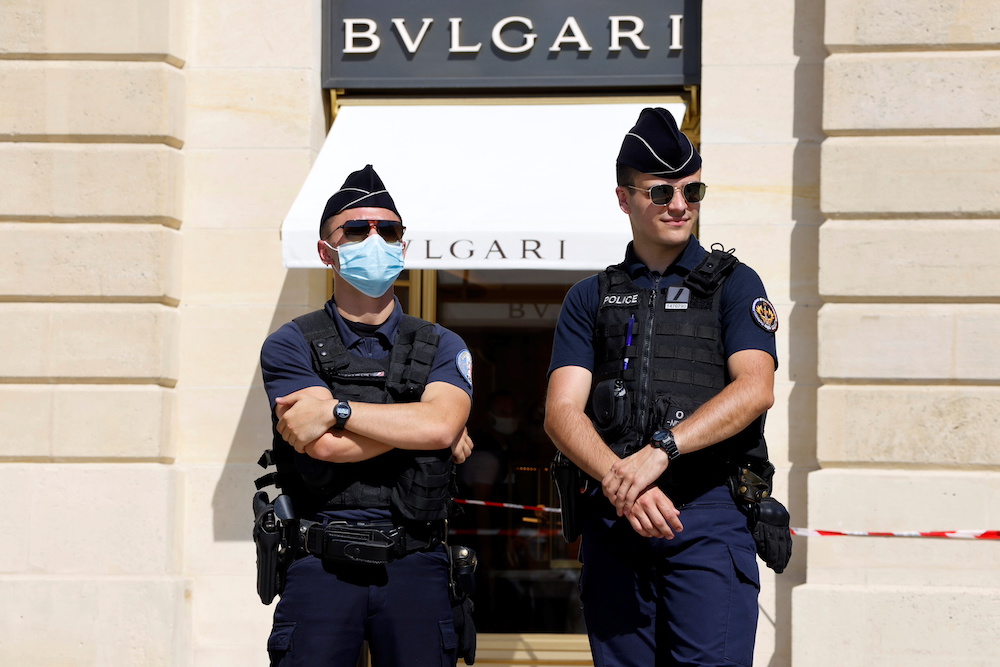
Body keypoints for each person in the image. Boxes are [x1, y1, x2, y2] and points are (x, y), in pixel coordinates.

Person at [544, 108, 785, 666]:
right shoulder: (591, 296)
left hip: (707, 515)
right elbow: (561, 412)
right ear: (624, 199)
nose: (680, 205)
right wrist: (619, 479)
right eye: (661, 192)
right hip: (617, 519)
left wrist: (661, 451)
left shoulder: (734, 283)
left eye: (692, 190)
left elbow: (755, 389)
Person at [256, 164, 475, 667]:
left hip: (416, 563)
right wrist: (425, 427)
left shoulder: (442, 343)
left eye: (388, 230)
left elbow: (437, 425)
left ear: (403, 245)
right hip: (321, 565)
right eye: (356, 230)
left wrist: (337, 408)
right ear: (325, 251)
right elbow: (325, 446)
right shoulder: (291, 343)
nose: (374, 239)